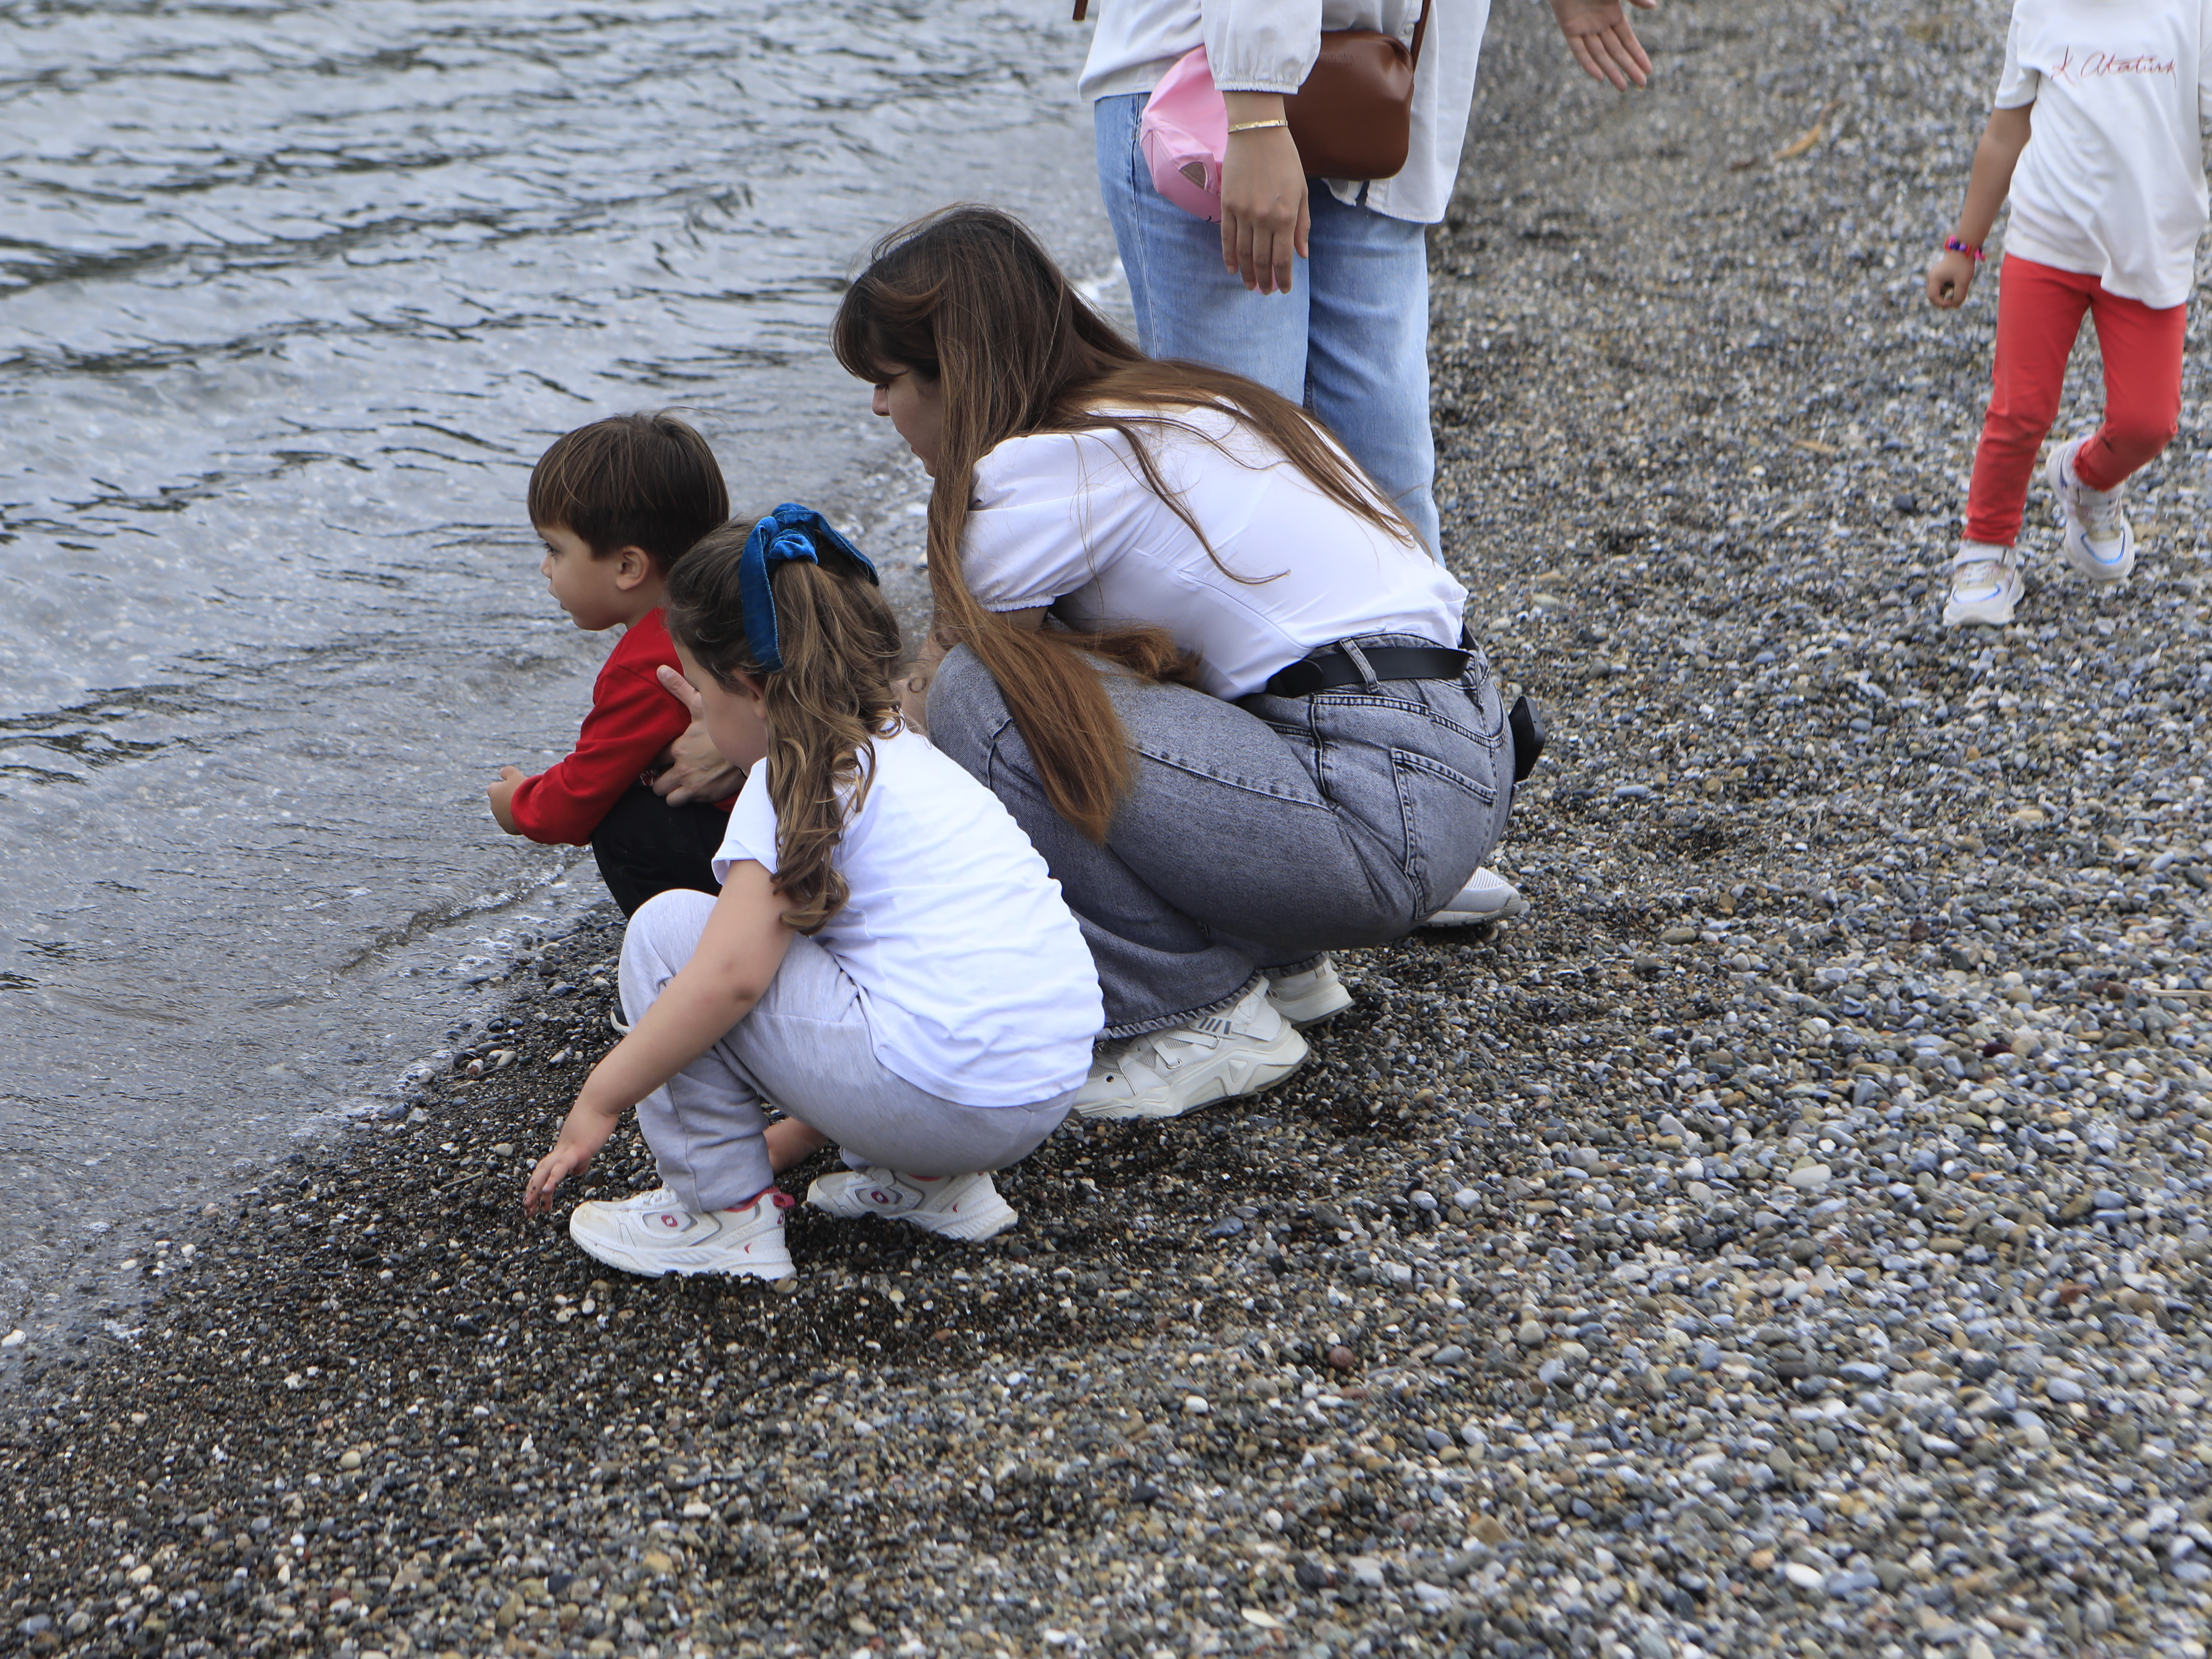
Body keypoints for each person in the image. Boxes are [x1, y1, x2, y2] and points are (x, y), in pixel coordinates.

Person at [1076, 0, 1646, 926]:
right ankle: (1233, 847)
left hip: (1369, 105)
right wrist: (1256, 108)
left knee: (1387, 484)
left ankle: (1405, 809)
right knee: (1242, 493)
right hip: (1217, 95)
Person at [835, 206, 1515, 1120]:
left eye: (888, 381)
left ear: (955, 373)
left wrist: (781, 733)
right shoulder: (1179, 404)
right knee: (1098, 673)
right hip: (1461, 760)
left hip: (1376, 809)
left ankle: (1193, 1014)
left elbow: (934, 694)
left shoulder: (1045, 468)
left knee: (985, 695)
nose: (879, 409)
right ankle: (1280, 962)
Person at [522, 508, 1106, 1279]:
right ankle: (929, 1182)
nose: (697, 716)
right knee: (848, 946)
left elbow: (726, 980)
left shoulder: (787, 782)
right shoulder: (907, 754)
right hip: (1042, 1088)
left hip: (944, 1098)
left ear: (751, 689)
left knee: (670, 935)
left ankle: (718, 1217)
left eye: (701, 690)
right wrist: (801, 1133)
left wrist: (601, 1097)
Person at [1926, 0, 2205, 628]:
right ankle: (1984, 555)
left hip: (2151, 249)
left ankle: (2084, 481)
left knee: (2149, 423)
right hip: (2048, 243)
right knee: (2017, 410)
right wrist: (1963, 244)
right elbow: (2005, 133)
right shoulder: (2040, 10)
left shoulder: (2193, 3)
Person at [486, 413, 733, 913]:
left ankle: (682, 953)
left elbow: (580, 796)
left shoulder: (647, 664)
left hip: (758, 852)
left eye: (555, 548)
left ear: (628, 567)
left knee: (624, 824)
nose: (545, 566)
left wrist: (518, 804)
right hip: (797, 817)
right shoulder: (730, 603)